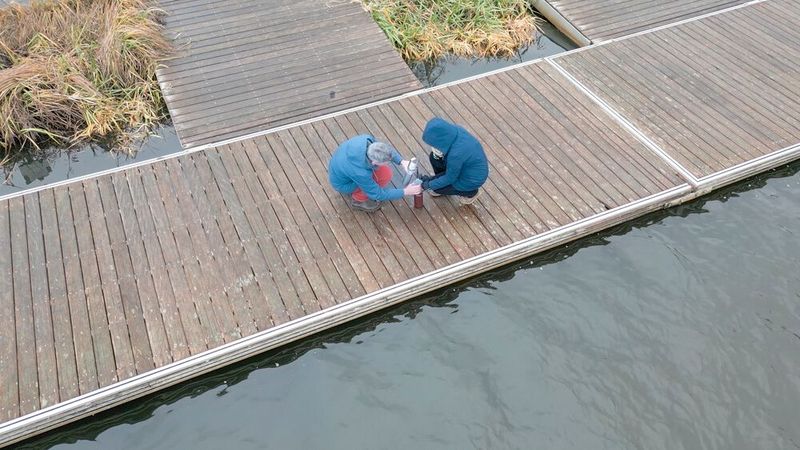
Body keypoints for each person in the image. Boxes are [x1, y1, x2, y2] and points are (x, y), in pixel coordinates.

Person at [328, 134, 422, 212]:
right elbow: (377, 194)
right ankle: (358, 200)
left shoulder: (366, 140)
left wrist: (402, 161)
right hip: (344, 184)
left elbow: (385, 149)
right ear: (374, 162)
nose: (388, 162)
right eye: (386, 162)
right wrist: (405, 191)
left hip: (341, 169)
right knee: (384, 176)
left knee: (385, 172)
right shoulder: (361, 173)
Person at [419, 117, 488, 205]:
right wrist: (431, 180)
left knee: (435, 188)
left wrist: (428, 185)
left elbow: (450, 178)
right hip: (462, 168)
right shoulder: (455, 131)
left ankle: (472, 192)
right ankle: (442, 184)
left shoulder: (456, 154)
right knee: (434, 157)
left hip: (470, 179)